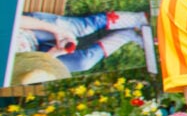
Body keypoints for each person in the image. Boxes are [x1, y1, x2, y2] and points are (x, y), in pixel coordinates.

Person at [15, 11, 146, 74]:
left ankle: (138, 19)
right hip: (34, 57)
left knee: (78, 29)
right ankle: (128, 34)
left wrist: (57, 30)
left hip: (30, 29)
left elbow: (15, 20)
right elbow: (27, 69)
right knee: (83, 63)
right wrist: (52, 54)